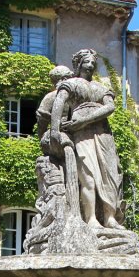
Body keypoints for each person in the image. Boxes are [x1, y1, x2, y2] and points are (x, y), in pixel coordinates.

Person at [48, 49, 124, 230]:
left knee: (109, 176)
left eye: (93, 63)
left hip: (103, 133)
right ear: (78, 64)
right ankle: (90, 219)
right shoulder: (71, 84)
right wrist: (54, 131)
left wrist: (84, 120)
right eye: (86, 62)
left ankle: (110, 218)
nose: (90, 66)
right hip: (81, 134)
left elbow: (110, 107)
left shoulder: (100, 88)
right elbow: (58, 104)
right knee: (88, 176)